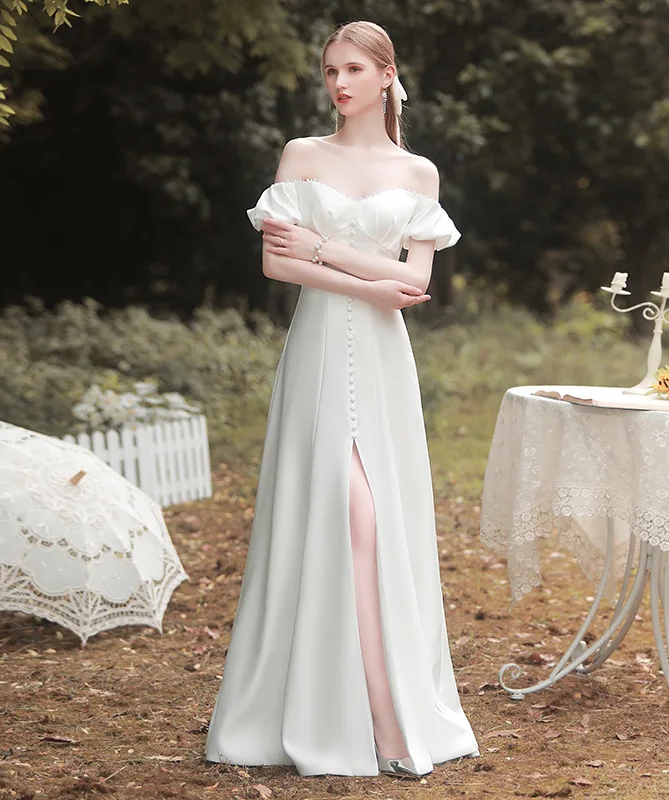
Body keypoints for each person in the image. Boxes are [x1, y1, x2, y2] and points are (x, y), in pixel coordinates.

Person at [205, 20, 478, 778]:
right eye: (330, 70)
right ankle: (374, 721)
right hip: (320, 351)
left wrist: (325, 248)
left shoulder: (417, 172)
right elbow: (277, 264)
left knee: (375, 521)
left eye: (354, 69)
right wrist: (362, 274)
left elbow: (414, 283)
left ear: (388, 76)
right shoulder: (303, 156)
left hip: (384, 363)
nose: (339, 83)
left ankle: (387, 711)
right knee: (346, 512)